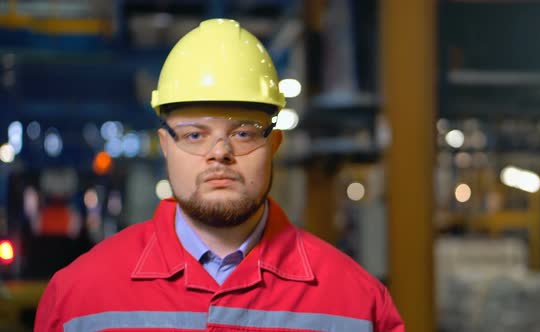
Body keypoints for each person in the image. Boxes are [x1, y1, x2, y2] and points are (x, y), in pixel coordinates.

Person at [34, 18, 405, 332]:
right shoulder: (77, 299)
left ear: (274, 144)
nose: (219, 153)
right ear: (166, 145)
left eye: (243, 133)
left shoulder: (358, 305)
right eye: (195, 135)